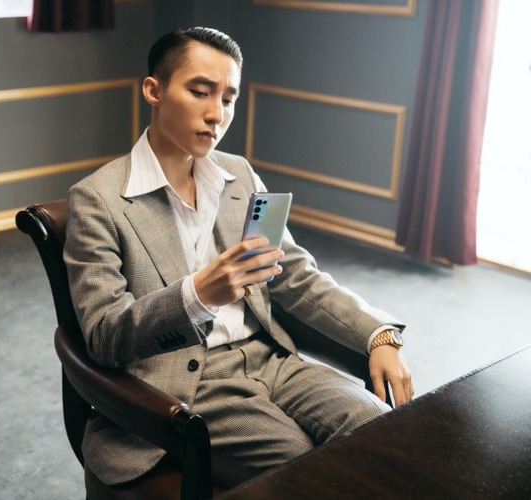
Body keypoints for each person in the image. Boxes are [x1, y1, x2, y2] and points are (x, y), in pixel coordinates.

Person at [63, 26, 413, 488]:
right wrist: (196, 295)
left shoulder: (240, 175)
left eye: (228, 98)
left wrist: (377, 333)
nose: (217, 113)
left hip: (270, 359)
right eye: (200, 92)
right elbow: (104, 336)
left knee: (379, 432)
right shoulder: (97, 199)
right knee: (300, 465)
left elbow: (295, 275)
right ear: (154, 90)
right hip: (180, 386)